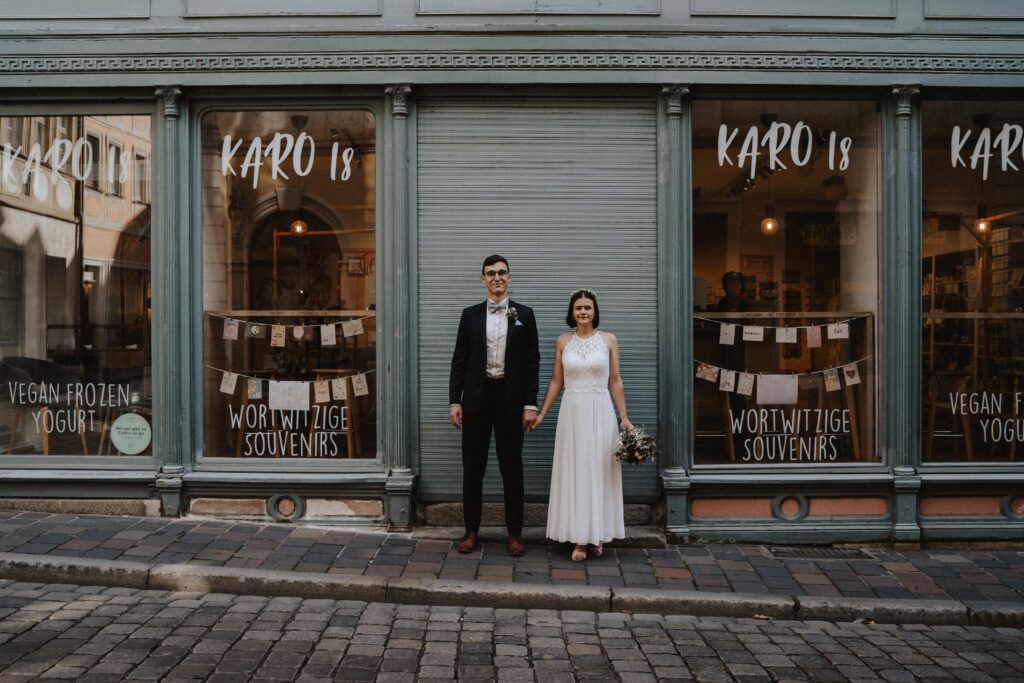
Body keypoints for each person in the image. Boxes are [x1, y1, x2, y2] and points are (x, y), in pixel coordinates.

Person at [449, 255, 540, 556]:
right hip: (476, 398)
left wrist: (530, 404)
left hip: (510, 400)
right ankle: (471, 531)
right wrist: (454, 400)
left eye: (502, 273)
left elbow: (532, 362)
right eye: (491, 273)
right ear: (483, 279)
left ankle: (515, 534)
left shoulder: (523, 314)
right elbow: (459, 360)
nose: (497, 277)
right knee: (472, 468)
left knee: (511, 467)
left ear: (509, 277)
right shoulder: (470, 315)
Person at [533, 288, 630, 562]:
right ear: (572, 313)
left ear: (595, 311)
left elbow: (615, 380)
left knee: (599, 471)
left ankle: (597, 535)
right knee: (577, 470)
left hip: (600, 410)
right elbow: (556, 381)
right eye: (578, 308)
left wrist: (624, 417)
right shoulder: (563, 341)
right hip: (572, 411)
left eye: (588, 307)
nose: (583, 311)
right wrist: (541, 414)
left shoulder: (609, 340)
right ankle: (579, 538)